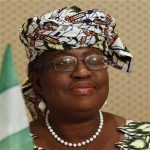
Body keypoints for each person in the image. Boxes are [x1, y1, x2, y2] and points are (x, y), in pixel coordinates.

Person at [20, 6, 150, 150]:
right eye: (64, 63)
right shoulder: (10, 144)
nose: (82, 72)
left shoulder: (146, 139)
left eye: (94, 61)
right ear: (38, 82)